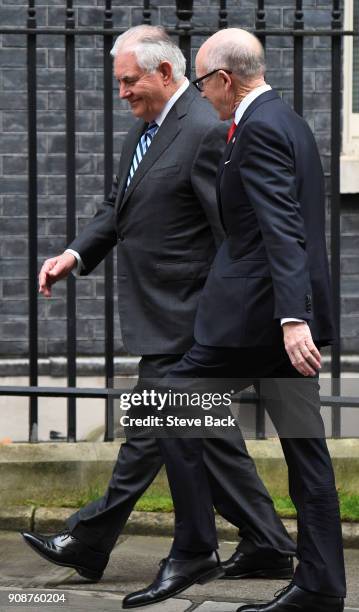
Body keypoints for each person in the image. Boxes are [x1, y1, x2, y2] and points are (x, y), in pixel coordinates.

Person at [21, 26, 295, 586]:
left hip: (190, 322)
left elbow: (232, 235)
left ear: (164, 73)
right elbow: (115, 206)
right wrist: (74, 254)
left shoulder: (204, 130)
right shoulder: (146, 131)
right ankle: (267, 542)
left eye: (128, 81)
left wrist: (229, 319)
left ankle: (90, 538)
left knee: (150, 427)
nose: (120, 92)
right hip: (163, 316)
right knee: (204, 435)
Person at [123, 28, 346, 612]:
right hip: (279, 322)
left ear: (224, 79)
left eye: (201, 82)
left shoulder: (261, 127)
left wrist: (292, 318)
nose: (202, 94)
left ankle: (195, 546)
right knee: (306, 451)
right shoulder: (289, 119)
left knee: (164, 402)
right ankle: (321, 584)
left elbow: (282, 227)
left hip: (258, 321)